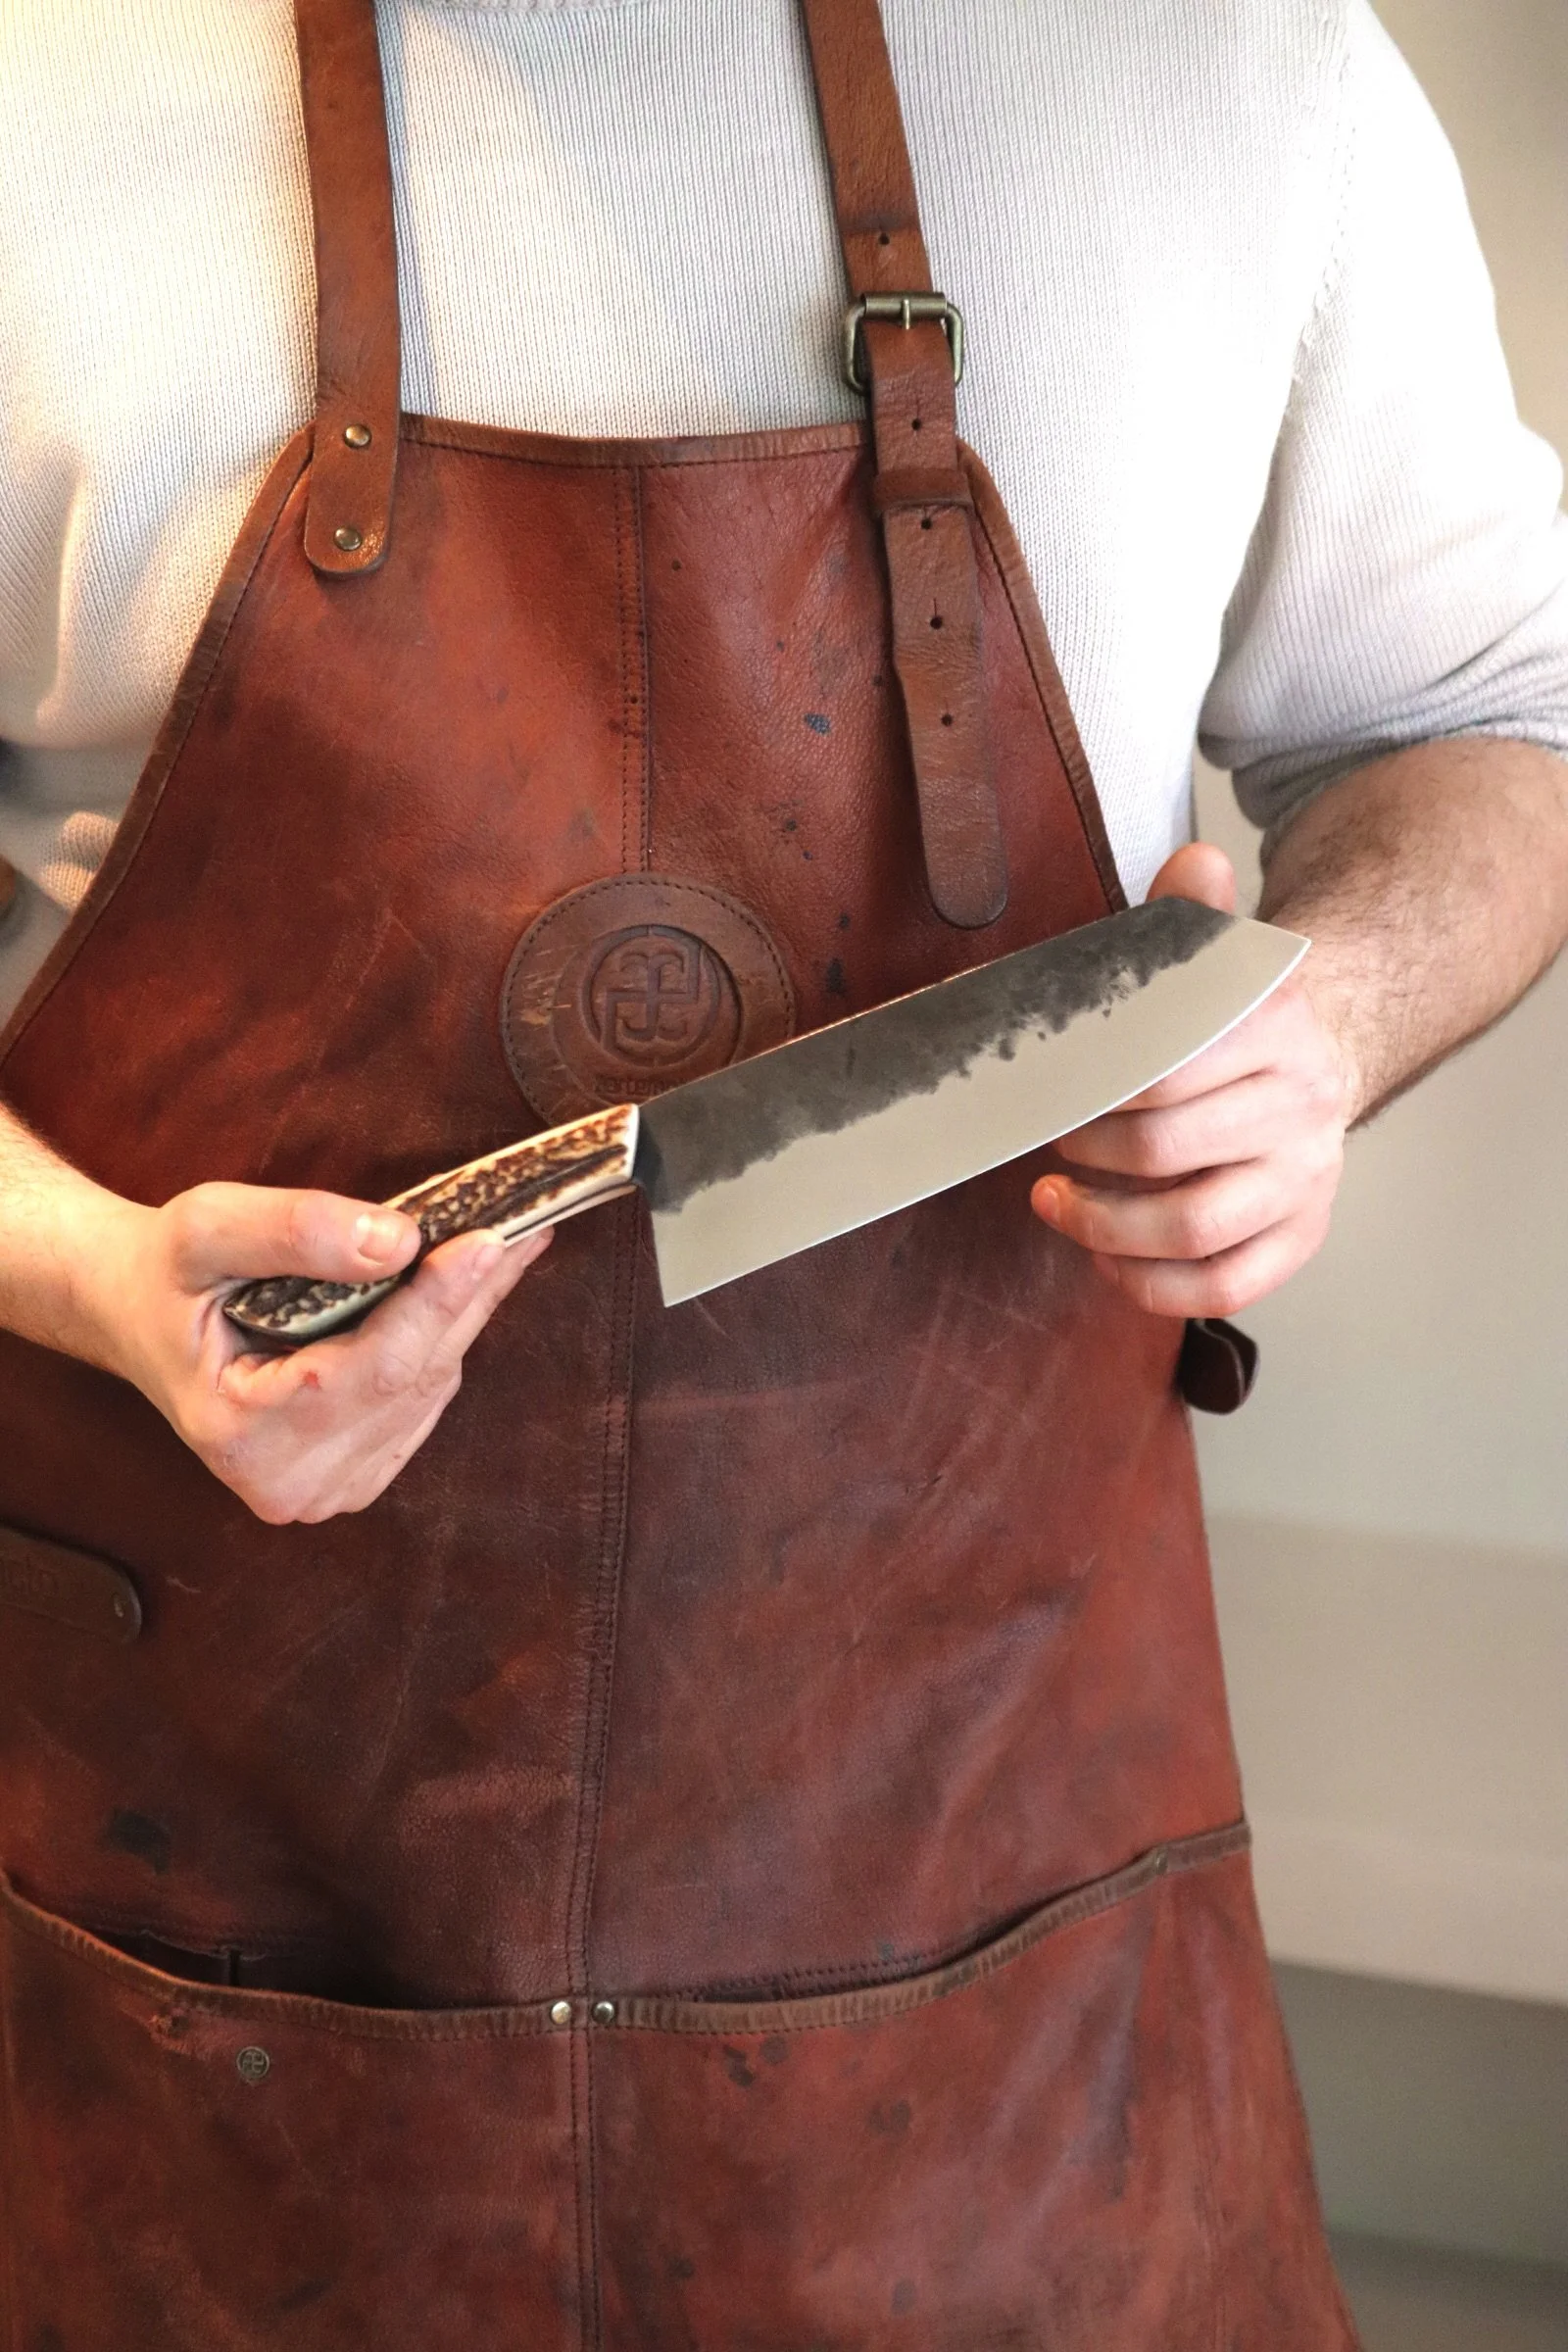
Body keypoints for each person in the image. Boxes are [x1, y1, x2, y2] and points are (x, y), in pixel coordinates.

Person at [0, 2, 1564, 2344]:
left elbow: (1482, 715)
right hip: (200, 1922)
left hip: (999, 1928)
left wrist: (1322, 1019)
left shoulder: (1228, 69)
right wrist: (84, 1271)